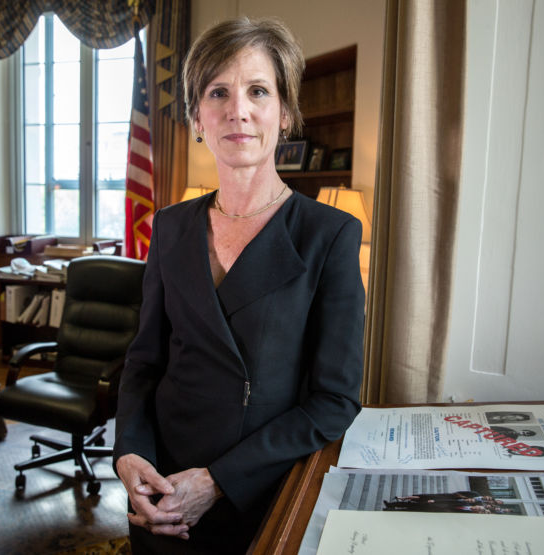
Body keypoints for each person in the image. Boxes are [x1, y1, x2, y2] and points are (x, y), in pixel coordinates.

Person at [113, 16, 365, 554]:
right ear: (198, 117)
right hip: (160, 490)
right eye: (218, 92)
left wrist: (218, 481)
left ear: (286, 112)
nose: (238, 110)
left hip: (259, 491)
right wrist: (129, 453)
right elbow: (143, 362)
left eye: (257, 91)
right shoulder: (170, 226)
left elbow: (335, 400)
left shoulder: (330, 234)